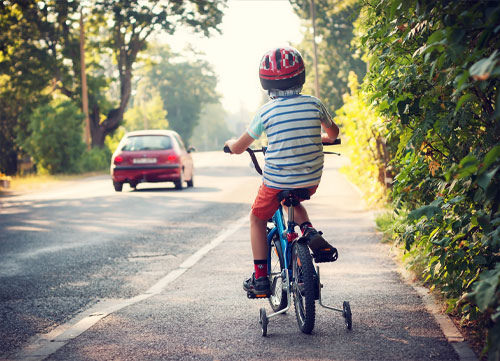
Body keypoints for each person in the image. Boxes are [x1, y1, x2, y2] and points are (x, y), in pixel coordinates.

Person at [224, 46, 339, 297]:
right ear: (301, 75)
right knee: (294, 199)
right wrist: (322, 138)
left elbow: (241, 146)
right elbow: (334, 134)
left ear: (265, 82)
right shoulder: (314, 104)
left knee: (256, 218)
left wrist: (232, 145)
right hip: (310, 180)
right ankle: (308, 230)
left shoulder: (265, 112)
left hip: (276, 182)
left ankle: (261, 279)